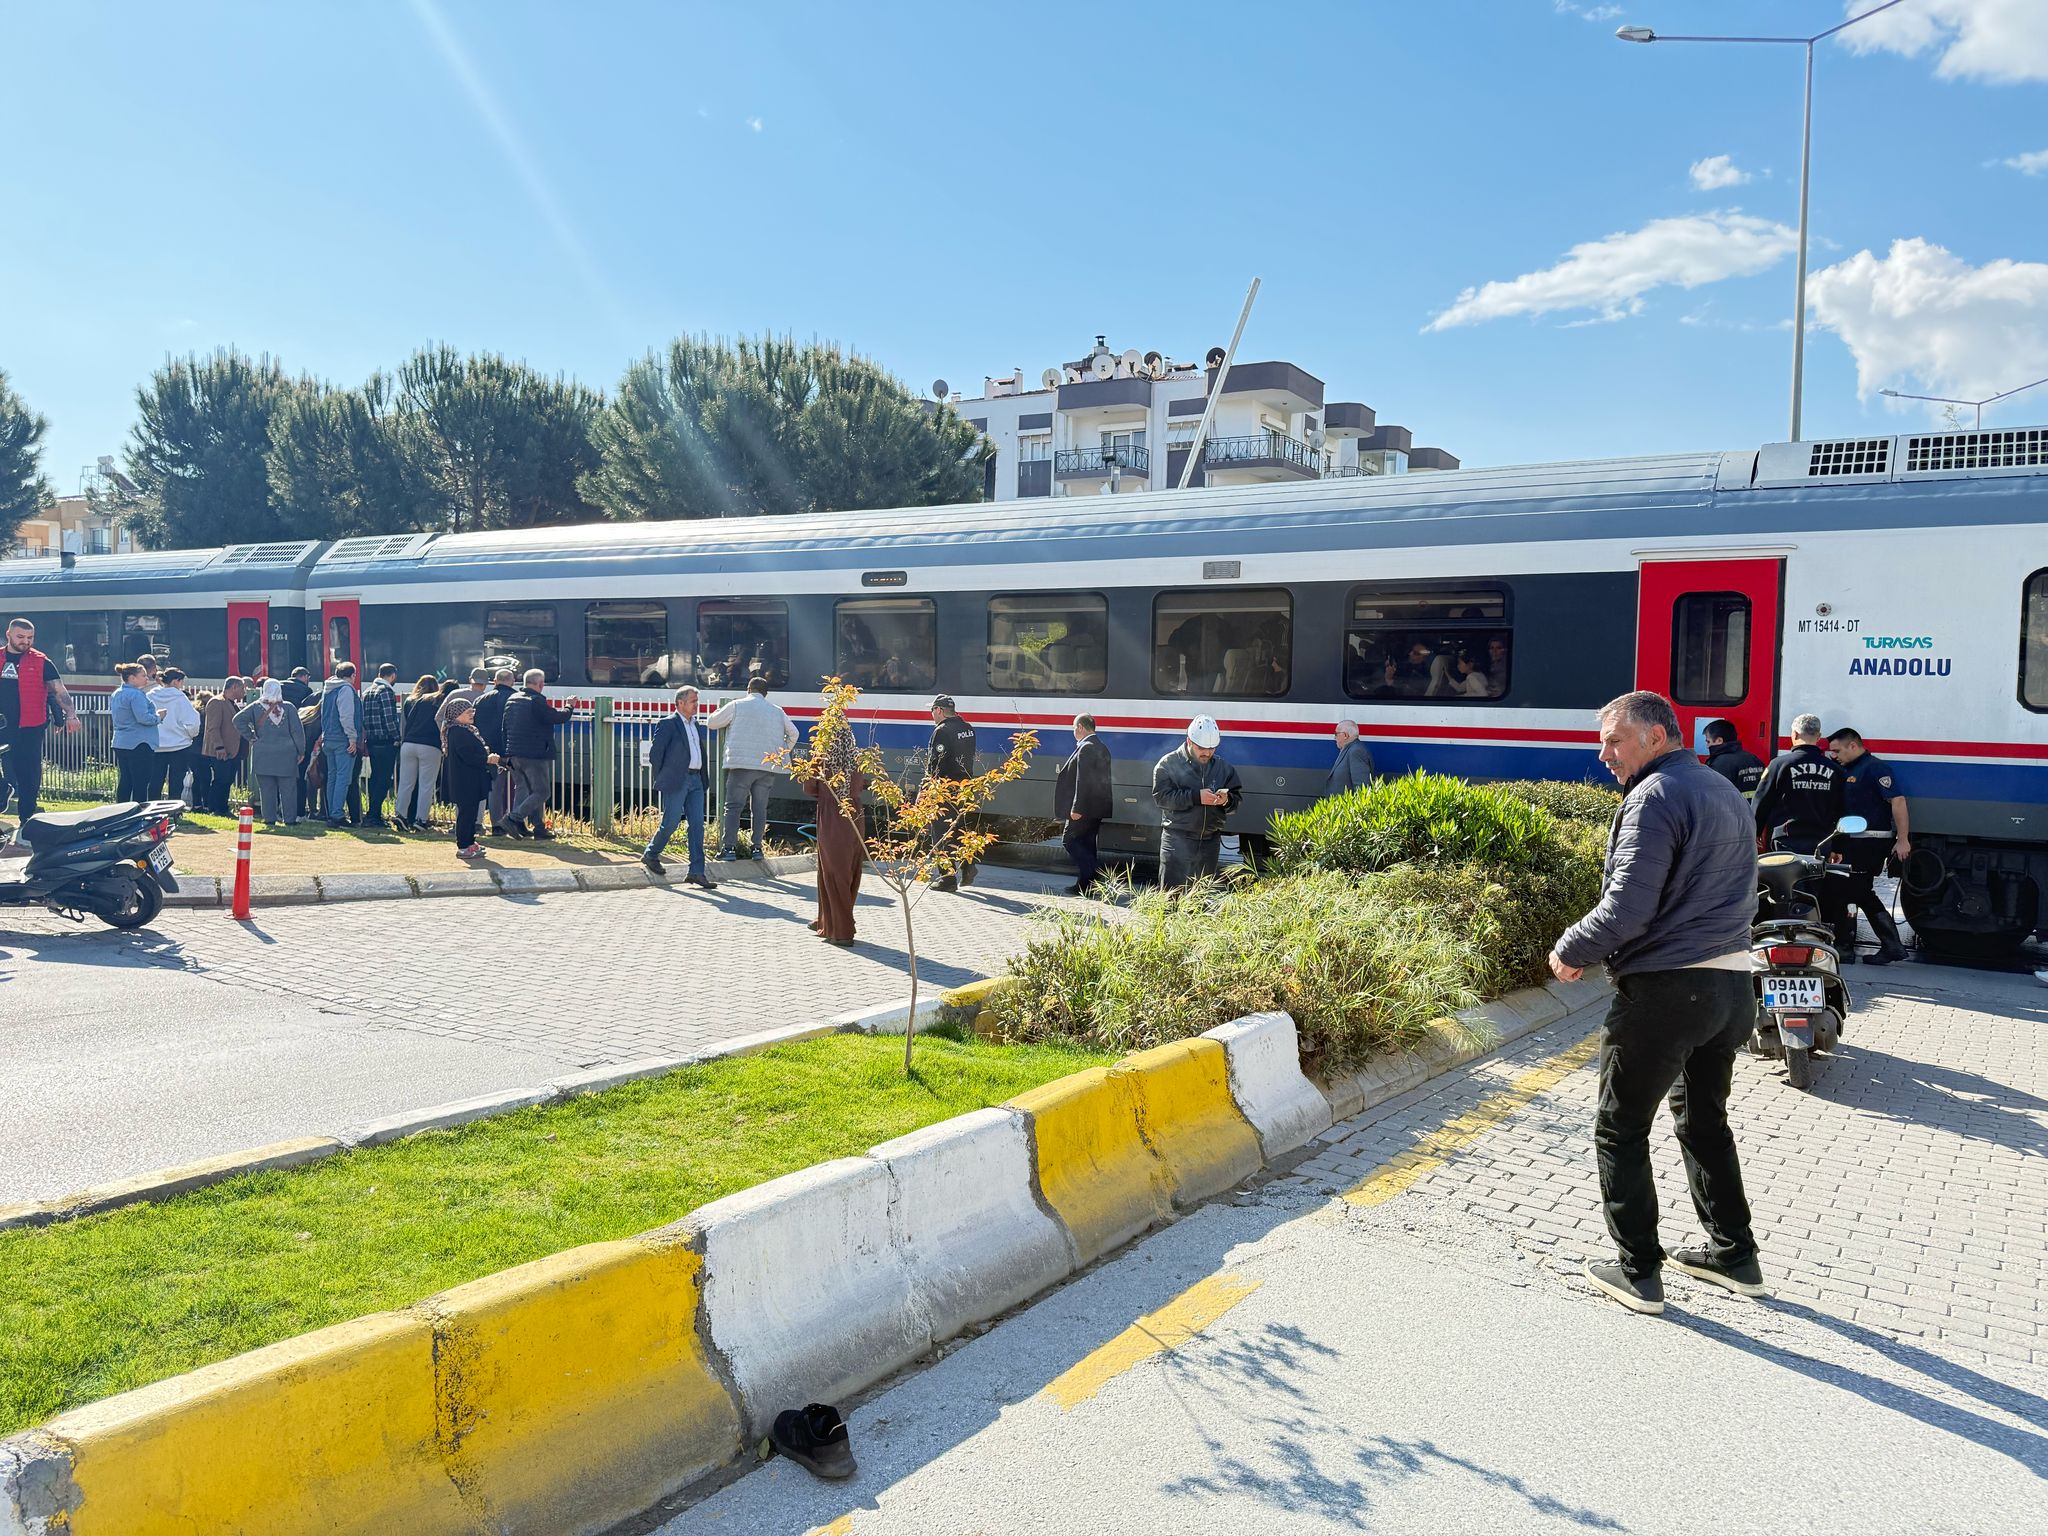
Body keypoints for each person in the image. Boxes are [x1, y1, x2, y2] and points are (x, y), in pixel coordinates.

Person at [1547, 690, 1763, 1316]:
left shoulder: (1654, 795)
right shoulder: (1723, 791)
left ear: (1658, 737)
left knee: (1620, 1126)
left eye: (1616, 740)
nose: (1604, 754)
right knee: (1704, 1125)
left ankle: (1638, 1271)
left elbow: (1627, 907)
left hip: (1668, 991)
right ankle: (1735, 1257)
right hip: (1729, 988)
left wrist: (1571, 947)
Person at [1827, 727, 1912, 965]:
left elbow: (1898, 800)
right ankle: (1889, 945)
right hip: (1852, 841)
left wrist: (1903, 839)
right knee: (1857, 891)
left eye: (1837, 750)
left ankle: (1847, 947)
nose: (1834, 756)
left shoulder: (1875, 768)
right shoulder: (1847, 769)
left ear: (1852, 745)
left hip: (1869, 842)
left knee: (1851, 891)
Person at [0, 617, 82, 832]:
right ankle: (3, 789)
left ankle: (27, 817)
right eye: (20, 637)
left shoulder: (41, 661)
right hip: (2, 724)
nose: (25, 642)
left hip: (30, 726)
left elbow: (59, 691)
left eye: (30, 638)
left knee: (27, 772)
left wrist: (70, 715)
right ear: (8, 635)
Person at [704, 676, 798, 860]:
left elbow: (712, 723)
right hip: (767, 767)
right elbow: (794, 733)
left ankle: (729, 849)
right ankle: (757, 849)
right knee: (759, 808)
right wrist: (782, 752)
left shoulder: (737, 705)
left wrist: (718, 710)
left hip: (742, 766)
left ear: (748, 689)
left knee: (733, 807)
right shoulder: (777, 711)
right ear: (766, 693)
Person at [1151, 715, 1242, 889]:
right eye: (1202, 748)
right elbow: (1161, 797)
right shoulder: (1168, 764)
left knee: (1200, 900)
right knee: (1172, 898)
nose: (1207, 753)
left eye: (1212, 748)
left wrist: (1226, 800)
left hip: (1210, 842)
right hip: (1177, 840)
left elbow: (1236, 800)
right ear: (1189, 741)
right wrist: (1195, 797)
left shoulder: (1223, 768)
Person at [643, 685, 716, 887]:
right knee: (671, 822)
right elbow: (656, 754)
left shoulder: (696, 724)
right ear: (680, 703)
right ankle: (651, 853)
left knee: (697, 827)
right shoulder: (668, 724)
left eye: (697, 701)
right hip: (678, 780)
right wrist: (665, 777)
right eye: (693, 701)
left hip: (696, 780)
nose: (697, 705)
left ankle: (696, 872)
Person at [805, 721, 867, 946]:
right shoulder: (857, 756)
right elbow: (862, 783)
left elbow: (809, 787)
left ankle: (841, 931)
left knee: (831, 871)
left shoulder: (821, 756)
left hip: (831, 814)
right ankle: (827, 920)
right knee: (848, 870)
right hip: (855, 814)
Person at [1752, 713, 1843, 854]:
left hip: (1785, 841)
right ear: (1818, 737)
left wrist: (1754, 832)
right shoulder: (1835, 769)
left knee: (1783, 876)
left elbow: (1762, 801)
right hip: (1822, 842)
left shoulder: (1778, 765)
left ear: (1794, 734)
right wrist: (1837, 848)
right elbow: (1842, 809)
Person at [500, 668, 571, 839]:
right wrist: (569, 706)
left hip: (514, 754)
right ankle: (512, 818)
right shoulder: (536, 701)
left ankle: (537, 828)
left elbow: (504, 728)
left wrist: (506, 753)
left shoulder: (512, 699)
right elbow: (555, 717)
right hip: (534, 755)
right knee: (542, 792)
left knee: (527, 790)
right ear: (540, 684)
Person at [925, 694, 979, 892]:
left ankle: (947, 879)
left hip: (945, 788)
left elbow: (936, 764)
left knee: (941, 831)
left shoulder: (942, 731)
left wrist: (930, 787)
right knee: (961, 829)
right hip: (965, 786)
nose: (931, 715)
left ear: (939, 710)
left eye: (932, 711)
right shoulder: (968, 728)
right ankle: (968, 866)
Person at [1054, 713, 1113, 895]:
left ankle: (1093, 872)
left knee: (1069, 841)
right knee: (1088, 844)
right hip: (1096, 808)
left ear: (1080, 727)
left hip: (1084, 808)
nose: (1074, 732)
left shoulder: (1086, 748)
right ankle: (1085, 885)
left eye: (1074, 728)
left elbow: (1083, 781)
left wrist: (1076, 808)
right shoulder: (1101, 746)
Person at [235, 679, 306, 826]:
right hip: (286, 753)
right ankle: (290, 819)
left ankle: (269, 819)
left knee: (266, 790)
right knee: (289, 790)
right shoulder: (289, 708)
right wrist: (301, 751)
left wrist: (251, 736)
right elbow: (297, 732)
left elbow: (238, 720)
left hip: (262, 753)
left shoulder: (255, 707)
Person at [440, 696, 500, 860]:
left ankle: (470, 842)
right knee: (466, 814)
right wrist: (487, 759)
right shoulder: (458, 731)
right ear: (457, 714)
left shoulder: (463, 729)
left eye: (472, 711)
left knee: (470, 813)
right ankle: (464, 846)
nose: (471, 714)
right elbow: (468, 755)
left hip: (469, 779)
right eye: (467, 712)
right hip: (465, 780)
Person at [472, 668, 519, 836]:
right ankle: (515, 822)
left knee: (494, 789)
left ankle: (496, 825)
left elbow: (474, 725)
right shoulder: (516, 698)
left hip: (489, 750)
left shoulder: (480, 700)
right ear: (513, 681)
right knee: (520, 786)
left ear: (494, 682)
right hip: (511, 749)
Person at [396, 675, 445, 831]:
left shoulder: (411, 700)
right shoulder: (439, 702)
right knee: (426, 785)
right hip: (430, 745)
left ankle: (400, 815)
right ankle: (421, 820)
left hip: (409, 743)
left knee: (405, 784)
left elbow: (407, 723)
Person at [146, 667, 203, 802]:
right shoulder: (180, 697)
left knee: (155, 780)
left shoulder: (150, 695)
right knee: (176, 780)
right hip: (179, 745)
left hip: (156, 744)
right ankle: (173, 809)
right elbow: (193, 722)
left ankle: (152, 807)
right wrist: (189, 735)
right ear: (177, 681)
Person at [318, 661, 363, 827]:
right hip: (342, 739)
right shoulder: (346, 689)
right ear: (352, 675)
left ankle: (331, 813)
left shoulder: (327, 689)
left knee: (332, 777)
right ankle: (337, 815)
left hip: (328, 738)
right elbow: (346, 716)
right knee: (343, 778)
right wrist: (352, 738)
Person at [359, 663, 403, 828]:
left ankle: (372, 813)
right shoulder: (386, 692)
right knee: (383, 780)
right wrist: (397, 737)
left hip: (371, 741)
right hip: (386, 741)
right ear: (392, 676)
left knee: (375, 778)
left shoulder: (367, 691)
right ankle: (374, 815)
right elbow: (390, 718)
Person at [110, 662, 160, 803]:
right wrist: (158, 717)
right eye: (143, 675)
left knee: (126, 779)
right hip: (139, 743)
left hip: (121, 741)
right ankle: (140, 811)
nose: (147, 678)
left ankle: (121, 810)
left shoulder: (117, 693)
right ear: (132, 678)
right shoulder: (136, 695)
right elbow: (143, 718)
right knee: (141, 781)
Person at [197, 677, 248, 815]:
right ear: (234, 687)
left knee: (228, 779)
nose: (245, 691)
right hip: (221, 750)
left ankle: (223, 807)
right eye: (243, 688)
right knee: (221, 779)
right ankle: (215, 808)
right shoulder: (216, 702)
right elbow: (213, 728)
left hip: (233, 750)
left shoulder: (232, 703)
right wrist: (219, 747)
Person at [1702, 719, 1766, 798]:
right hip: (1755, 808)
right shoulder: (1753, 759)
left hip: (1733, 809)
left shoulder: (1720, 764)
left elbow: (1714, 796)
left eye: (1708, 742)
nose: (1707, 746)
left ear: (1719, 740)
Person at [1324, 719, 1377, 798]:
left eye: (1336, 734)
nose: (1334, 737)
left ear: (1346, 735)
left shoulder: (1356, 751)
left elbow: (1362, 787)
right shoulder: (1350, 749)